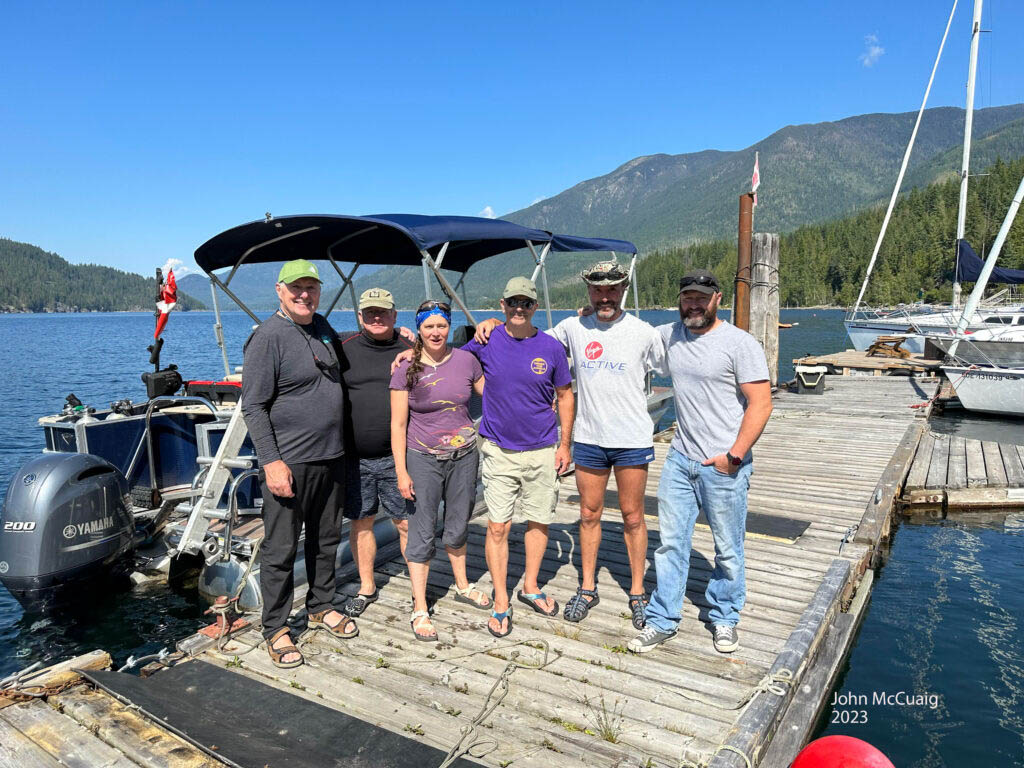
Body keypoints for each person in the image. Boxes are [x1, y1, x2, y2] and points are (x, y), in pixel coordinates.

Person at [473, 261, 664, 630]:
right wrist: (492, 324)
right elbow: (528, 338)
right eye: (597, 289)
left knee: (633, 516)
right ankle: (588, 587)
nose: (605, 296)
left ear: (623, 289)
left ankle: (638, 592)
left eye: (612, 289)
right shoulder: (571, 328)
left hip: (632, 439)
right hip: (589, 439)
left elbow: (679, 366)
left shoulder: (644, 332)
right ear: (589, 292)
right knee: (589, 515)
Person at [627, 269, 773, 655]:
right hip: (679, 459)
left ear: (717, 300)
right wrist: (589, 317)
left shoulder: (739, 344)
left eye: (701, 298)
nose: (693, 304)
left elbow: (761, 403)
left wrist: (734, 456)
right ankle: (663, 619)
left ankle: (724, 617)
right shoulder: (669, 335)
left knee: (728, 548)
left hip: (723, 464)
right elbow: (625, 334)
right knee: (671, 545)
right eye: (687, 297)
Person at [241, 259, 357, 670]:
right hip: (291, 463)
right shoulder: (267, 337)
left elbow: (342, 358)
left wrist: (397, 338)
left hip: (332, 457)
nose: (304, 294)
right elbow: (252, 406)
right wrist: (271, 462)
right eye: (296, 288)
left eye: (311, 287)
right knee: (280, 549)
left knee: (326, 540)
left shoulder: (321, 326)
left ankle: (321, 605)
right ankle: (275, 628)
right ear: (279, 290)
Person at [462, 277, 574, 638]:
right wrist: (407, 348)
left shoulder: (551, 347)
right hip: (498, 450)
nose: (519, 309)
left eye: (526, 303)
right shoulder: (488, 338)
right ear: (502, 305)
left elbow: (566, 395)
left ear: (535, 307)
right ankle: (500, 600)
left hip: (543, 448)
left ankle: (530, 584)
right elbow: (448, 361)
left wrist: (565, 444)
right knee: (498, 526)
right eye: (513, 303)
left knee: (539, 522)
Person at [390, 299, 492, 642]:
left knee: (459, 522)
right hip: (422, 457)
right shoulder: (406, 367)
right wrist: (402, 472)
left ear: (449, 327)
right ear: (418, 329)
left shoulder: (466, 360)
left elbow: (492, 397)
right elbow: (398, 423)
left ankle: (462, 584)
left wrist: (534, 398)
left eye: (442, 325)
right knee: (420, 530)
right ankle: (419, 606)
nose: (436, 332)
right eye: (429, 326)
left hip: (464, 455)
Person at [337, 288, 413, 617]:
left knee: (408, 522)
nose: (377, 317)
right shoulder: (343, 348)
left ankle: (417, 585)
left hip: (401, 458)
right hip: (355, 459)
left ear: (395, 315)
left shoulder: (413, 348)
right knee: (361, 522)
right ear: (359, 317)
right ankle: (367, 585)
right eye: (370, 312)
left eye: (383, 312)